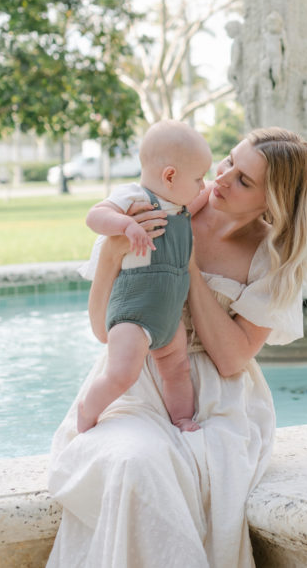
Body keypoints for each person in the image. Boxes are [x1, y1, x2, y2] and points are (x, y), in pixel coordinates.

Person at [47, 127, 307, 568]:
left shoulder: (273, 259)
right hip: (133, 377)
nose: (222, 178)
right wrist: (115, 255)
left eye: (243, 180)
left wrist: (185, 264)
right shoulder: (165, 200)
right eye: (229, 161)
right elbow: (102, 329)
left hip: (213, 395)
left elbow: (231, 358)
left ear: (273, 202)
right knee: (137, 462)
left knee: (197, 470)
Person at [77, 119, 212, 433]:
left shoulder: (180, 208)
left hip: (167, 319)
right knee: (122, 374)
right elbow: (94, 215)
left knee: (178, 370)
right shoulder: (134, 197)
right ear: (169, 176)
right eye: (199, 178)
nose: (203, 187)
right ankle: (86, 411)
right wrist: (125, 225)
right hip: (133, 315)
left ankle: (181, 419)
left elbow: (209, 196)